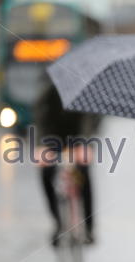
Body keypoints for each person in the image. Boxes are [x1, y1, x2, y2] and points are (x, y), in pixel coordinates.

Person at [34, 84, 100, 246]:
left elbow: (90, 120)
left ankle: (89, 227)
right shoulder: (48, 90)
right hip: (52, 139)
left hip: (78, 139)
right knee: (46, 172)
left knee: (82, 174)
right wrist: (41, 145)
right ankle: (58, 222)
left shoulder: (85, 88)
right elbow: (40, 117)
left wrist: (85, 143)